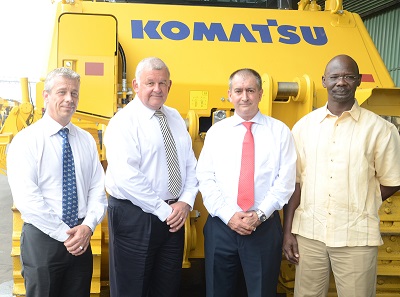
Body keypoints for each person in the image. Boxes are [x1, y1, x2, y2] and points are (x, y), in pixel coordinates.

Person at [283, 54, 400, 297]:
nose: (341, 82)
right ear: (324, 81)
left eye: (348, 76)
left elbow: (391, 181)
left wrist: (362, 200)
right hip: (309, 235)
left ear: (358, 81)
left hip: (356, 237)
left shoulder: (379, 129)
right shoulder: (304, 127)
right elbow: (295, 184)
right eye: (335, 76)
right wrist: (288, 233)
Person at [7, 67, 108, 297]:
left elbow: (96, 190)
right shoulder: (27, 141)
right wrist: (66, 234)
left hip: (80, 238)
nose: (69, 99)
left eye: (74, 94)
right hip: (44, 239)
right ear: (46, 95)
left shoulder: (86, 141)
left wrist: (87, 227)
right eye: (62, 92)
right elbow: (27, 199)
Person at [196, 68, 297, 297]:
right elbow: (205, 177)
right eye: (239, 91)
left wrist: (259, 215)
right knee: (218, 291)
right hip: (221, 226)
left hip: (263, 227)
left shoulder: (280, 132)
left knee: (261, 292)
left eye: (251, 90)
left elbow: (285, 181)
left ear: (261, 94)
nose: (245, 97)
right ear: (229, 94)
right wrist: (229, 215)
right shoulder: (216, 133)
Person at [104, 57, 198, 297]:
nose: (157, 89)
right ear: (136, 85)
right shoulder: (123, 122)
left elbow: (189, 163)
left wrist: (186, 201)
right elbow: (127, 177)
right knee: (131, 289)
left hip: (172, 216)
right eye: (150, 83)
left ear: (170, 85)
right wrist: (166, 211)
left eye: (162, 83)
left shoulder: (175, 117)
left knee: (167, 287)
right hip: (135, 216)